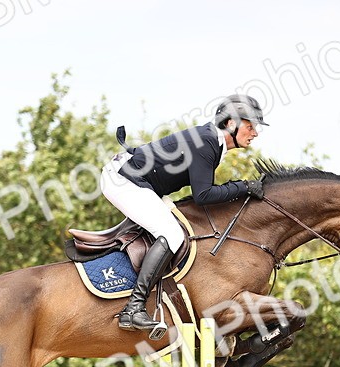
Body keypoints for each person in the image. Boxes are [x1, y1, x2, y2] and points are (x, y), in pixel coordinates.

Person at [101, 94, 268, 334]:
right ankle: (133, 308)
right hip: (123, 180)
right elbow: (203, 196)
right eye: (250, 126)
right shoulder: (206, 142)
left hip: (140, 182)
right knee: (172, 234)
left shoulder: (212, 142)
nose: (255, 133)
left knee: (180, 227)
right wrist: (244, 187)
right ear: (231, 123)